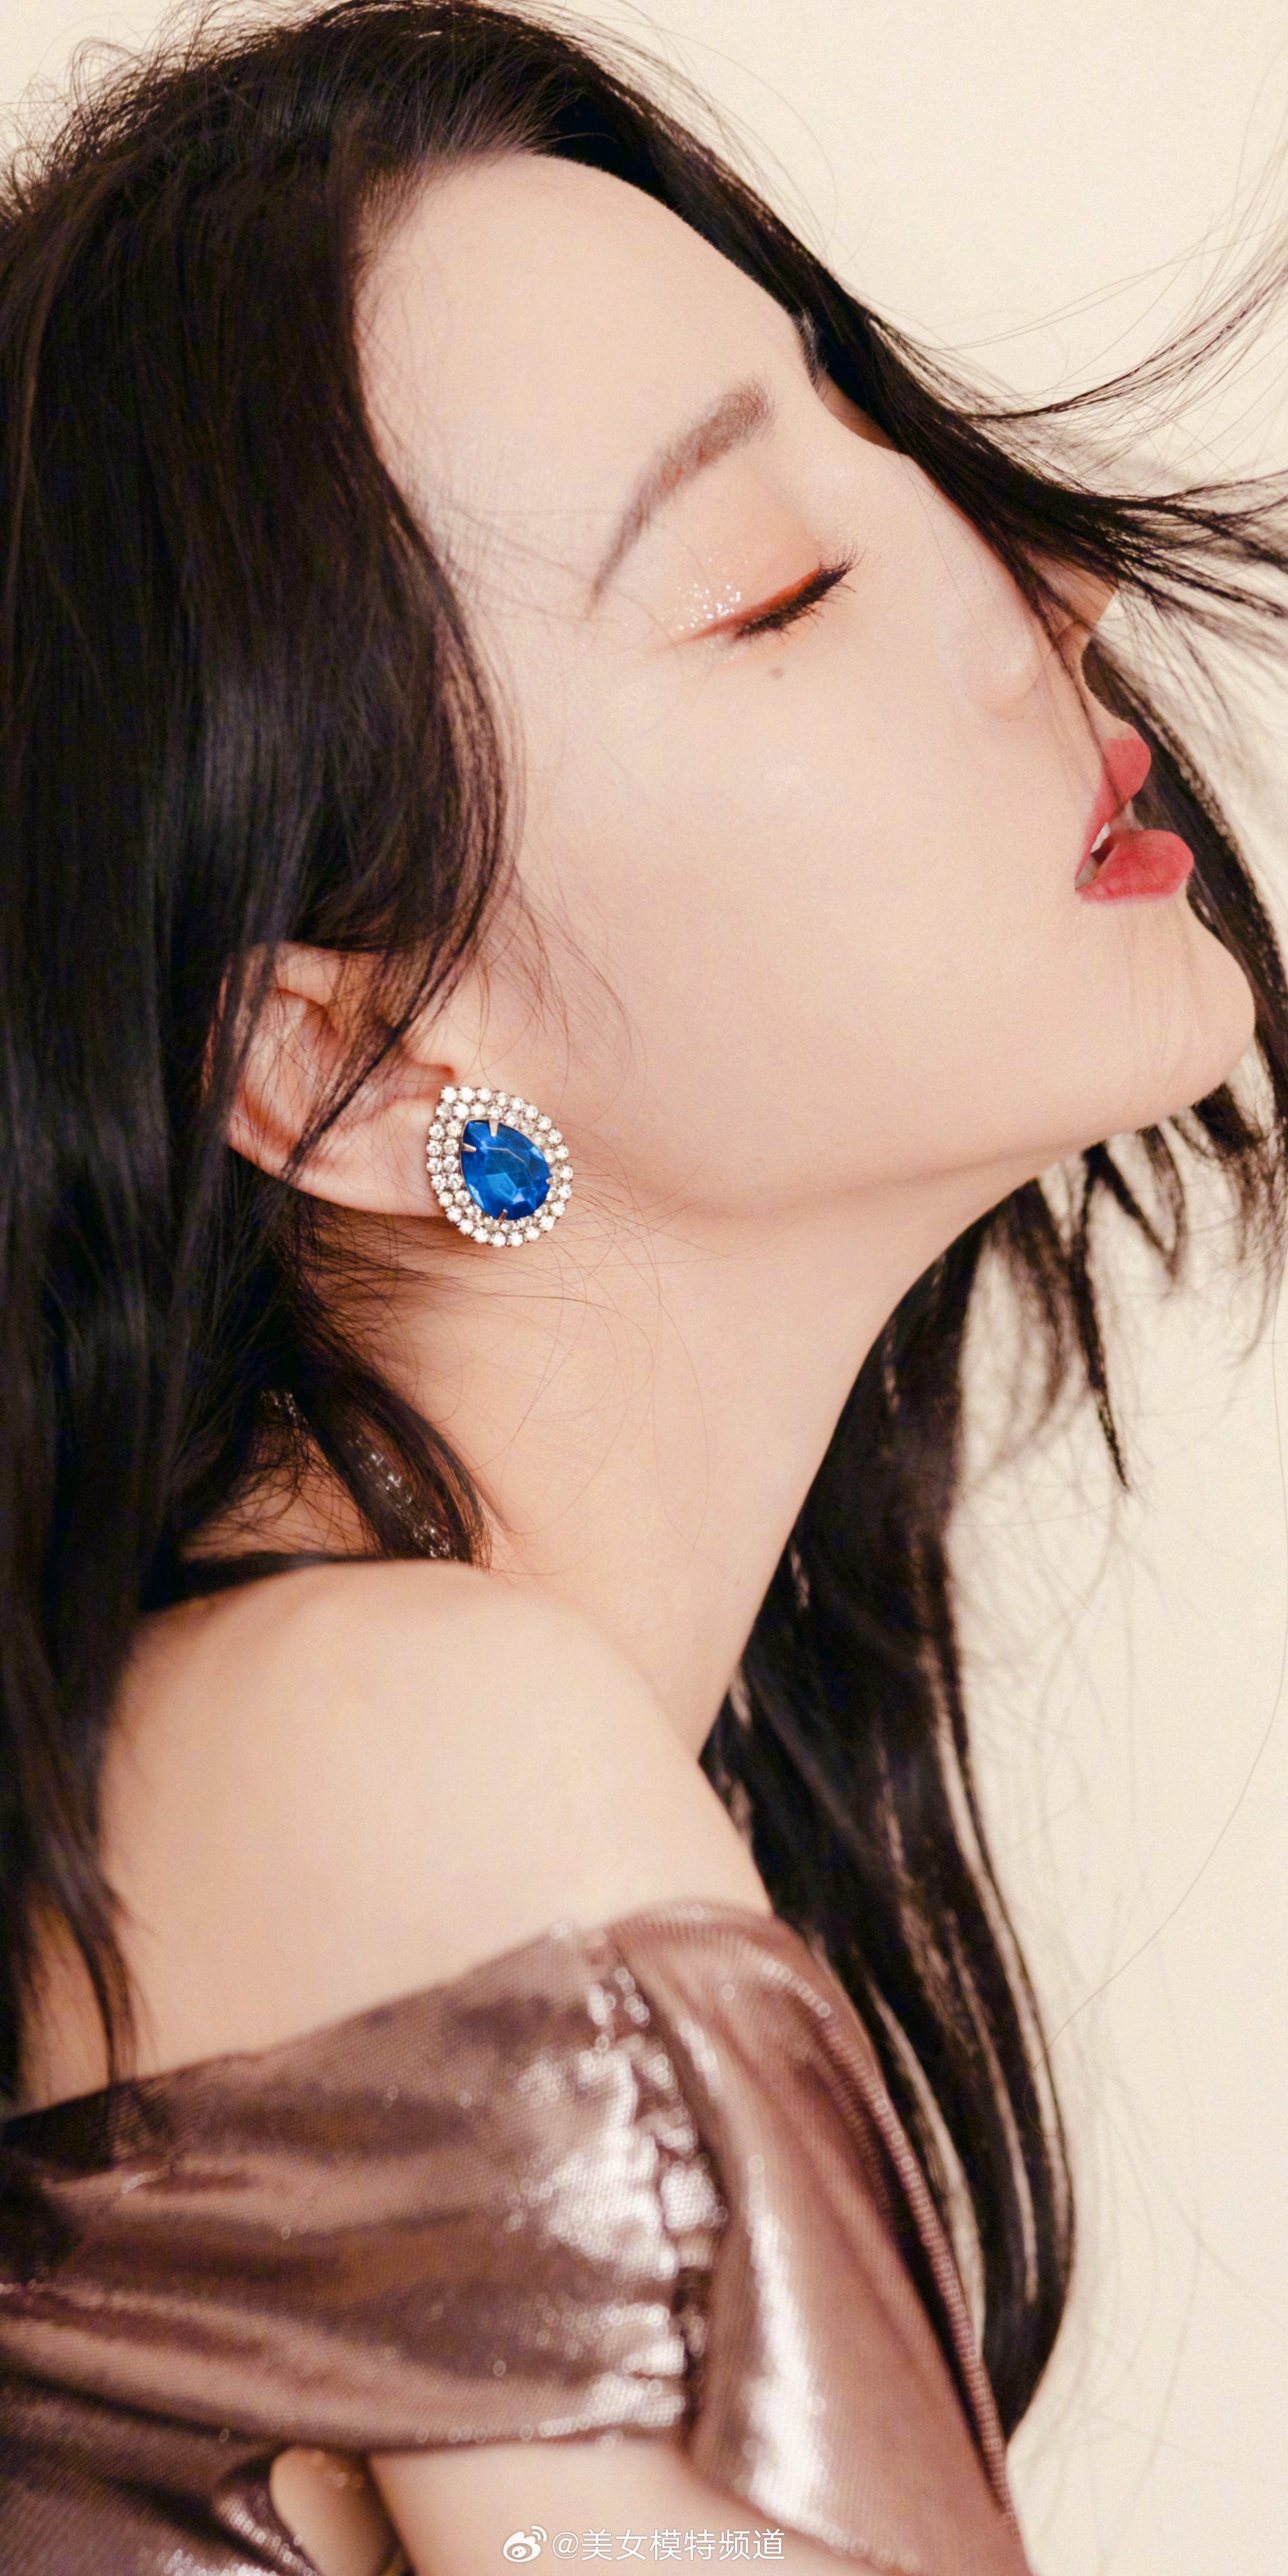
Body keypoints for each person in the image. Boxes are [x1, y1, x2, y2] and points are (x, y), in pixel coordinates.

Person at [1, 4, 1286, 2570]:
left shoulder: (284, 1782)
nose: (1042, 590)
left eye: (880, 439)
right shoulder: (403, 1764)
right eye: (773, 592)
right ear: (357, 1067)